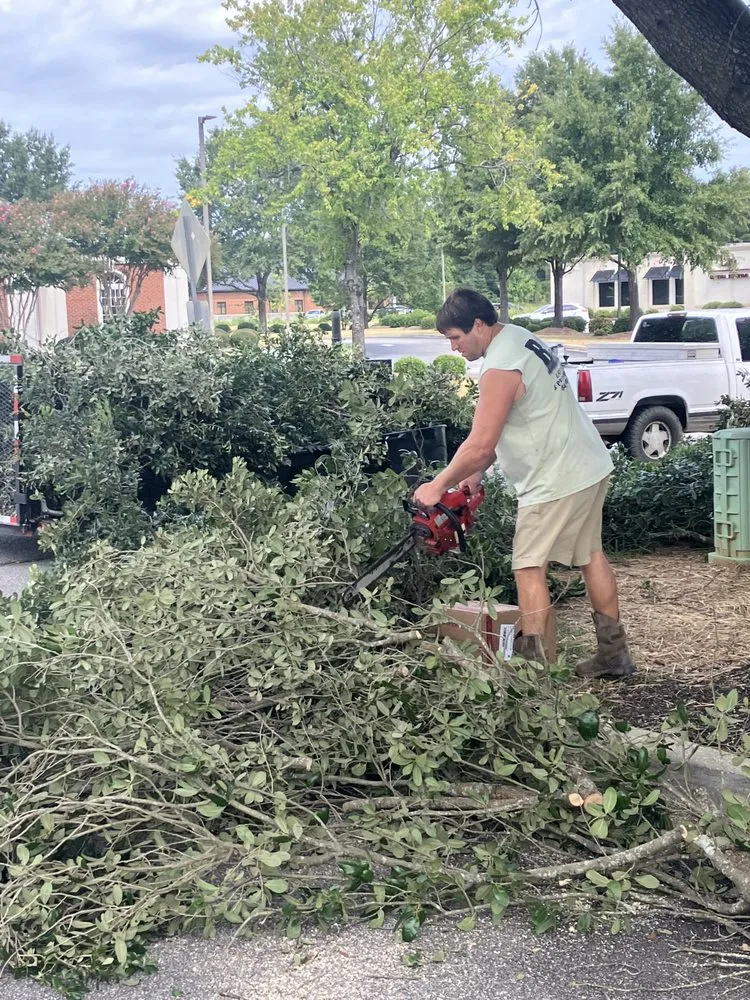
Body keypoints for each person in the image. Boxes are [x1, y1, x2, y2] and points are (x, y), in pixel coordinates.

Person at [412, 289, 634, 681]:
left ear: (478, 326)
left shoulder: (500, 367)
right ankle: (614, 657)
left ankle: (534, 678)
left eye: (456, 337)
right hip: (586, 464)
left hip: (555, 479)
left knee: (527, 568)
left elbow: (480, 444)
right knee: (590, 555)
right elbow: (514, 422)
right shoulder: (519, 337)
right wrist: (474, 476)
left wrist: (438, 484)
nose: (453, 346)